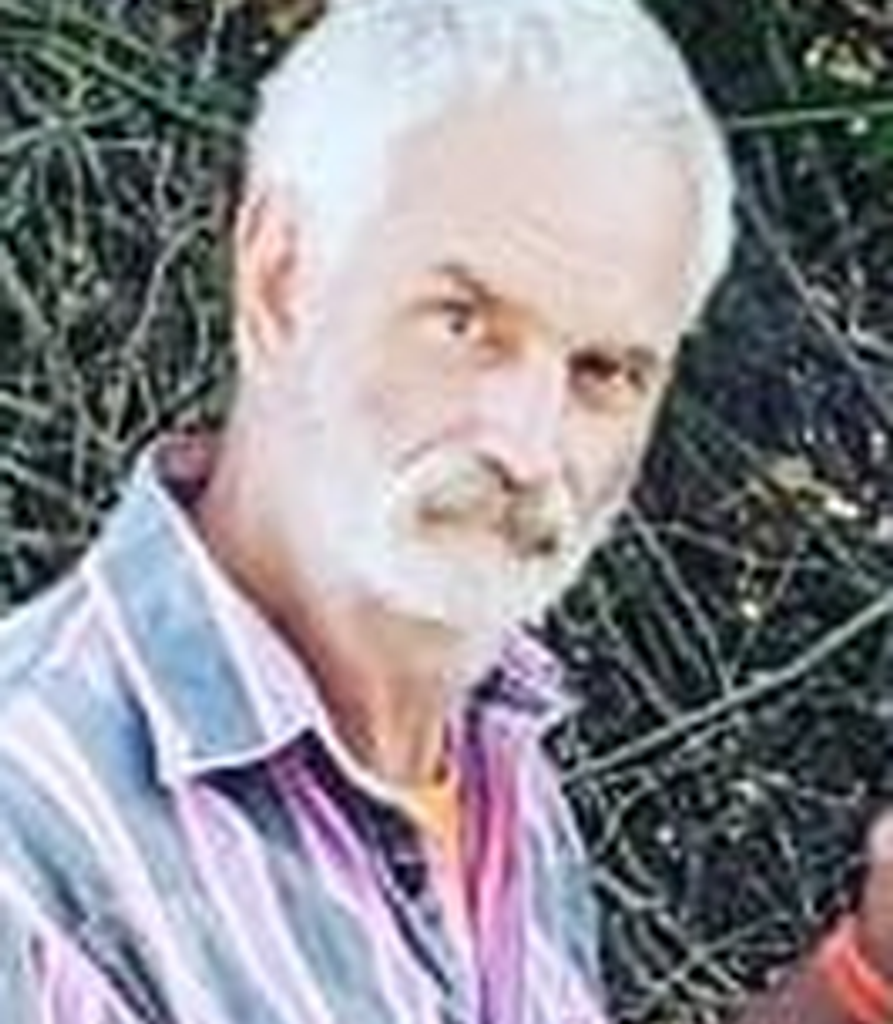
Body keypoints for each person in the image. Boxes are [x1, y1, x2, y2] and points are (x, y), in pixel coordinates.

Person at [0, 0, 890, 1021]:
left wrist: (862, 980)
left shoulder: (490, 751)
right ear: (280, 280)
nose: (526, 448)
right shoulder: (34, 849)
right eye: (463, 323)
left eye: (603, 370)